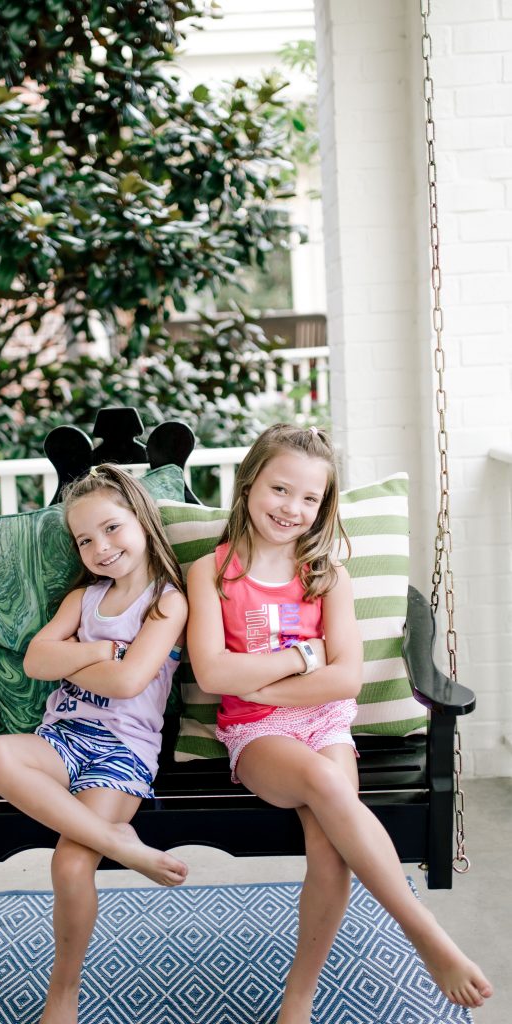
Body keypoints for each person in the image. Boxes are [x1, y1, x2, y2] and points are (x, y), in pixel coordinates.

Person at [186, 424, 493, 1023]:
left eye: (309, 499)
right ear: (249, 483)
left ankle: (296, 1003)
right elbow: (213, 673)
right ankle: (424, 933)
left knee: (329, 852)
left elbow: (345, 680)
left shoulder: (328, 575)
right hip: (257, 733)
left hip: (325, 723)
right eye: (280, 489)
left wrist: (260, 678)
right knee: (328, 790)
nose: (292, 509)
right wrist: (303, 657)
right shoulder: (211, 573)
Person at [0, 464, 188, 1024]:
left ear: (143, 521)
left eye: (112, 529)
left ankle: (61, 995)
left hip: (123, 752)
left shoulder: (168, 602)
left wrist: (82, 660)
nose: (101, 547)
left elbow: (127, 684)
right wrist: (99, 652)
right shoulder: (84, 599)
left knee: (70, 866)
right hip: (61, 737)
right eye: (85, 539)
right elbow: (36, 661)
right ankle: (126, 848)